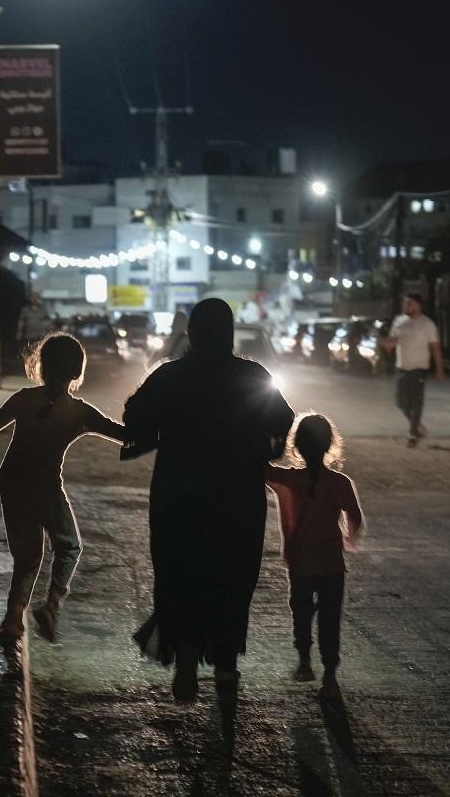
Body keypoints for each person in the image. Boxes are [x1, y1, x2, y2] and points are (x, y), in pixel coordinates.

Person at [124, 298, 295, 702]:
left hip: (177, 496)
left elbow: (135, 415)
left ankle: (184, 662)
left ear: (193, 332)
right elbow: (282, 420)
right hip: (237, 497)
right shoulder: (253, 375)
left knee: (180, 572)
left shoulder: (170, 376)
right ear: (229, 331)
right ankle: (225, 668)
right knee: (232, 577)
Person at [0, 333, 123, 642]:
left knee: (27, 557)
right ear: (77, 371)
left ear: (41, 365)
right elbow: (125, 435)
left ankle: (13, 619)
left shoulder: (25, 399)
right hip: (48, 489)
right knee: (69, 546)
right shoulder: (80, 411)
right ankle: (51, 605)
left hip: (12, 486)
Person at [264, 414, 364, 700]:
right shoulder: (340, 483)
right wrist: (349, 537)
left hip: (300, 562)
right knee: (330, 618)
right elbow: (354, 518)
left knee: (302, 612)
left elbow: (261, 468)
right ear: (330, 444)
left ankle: (305, 662)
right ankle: (330, 674)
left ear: (296, 445)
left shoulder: (289, 479)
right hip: (331, 563)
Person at [381, 293, 444, 448]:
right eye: (405, 303)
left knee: (416, 402)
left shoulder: (427, 324)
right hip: (402, 367)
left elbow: (435, 348)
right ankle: (417, 426)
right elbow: (392, 343)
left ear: (418, 305)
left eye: (409, 303)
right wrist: (383, 343)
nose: (406, 306)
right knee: (401, 402)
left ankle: (412, 433)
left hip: (419, 369)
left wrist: (439, 368)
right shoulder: (399, 322)